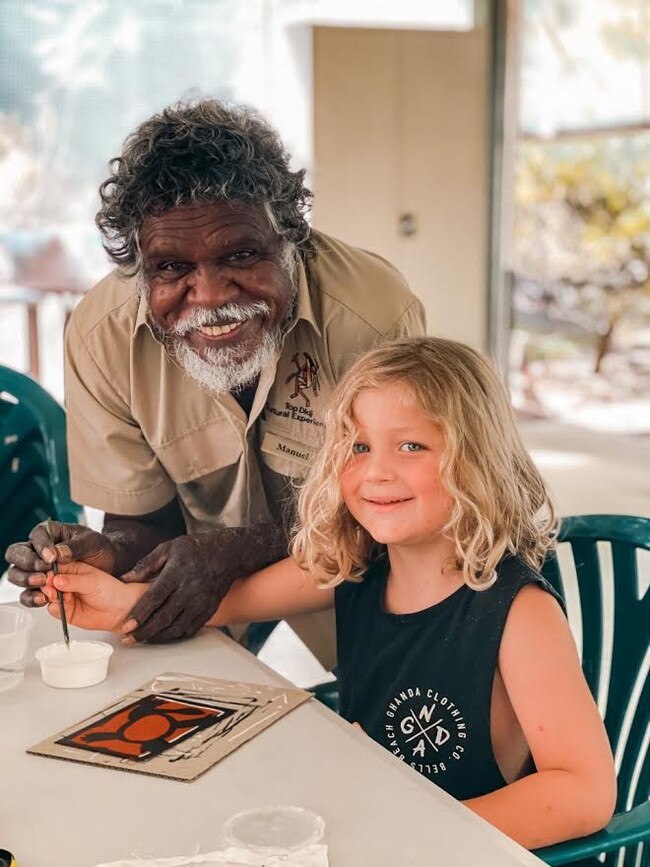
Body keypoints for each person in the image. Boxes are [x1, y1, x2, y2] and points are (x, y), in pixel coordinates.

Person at [42, 336, 615, 850]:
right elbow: (230, 602)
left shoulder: (519, 614)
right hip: (362, 826)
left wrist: (414, 840)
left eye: (411, 446)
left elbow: (584, 792)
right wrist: (114, 599)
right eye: (358, 447)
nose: (376, 473)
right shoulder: (358, 564)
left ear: (479, 461)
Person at [5, 98, 424, 656]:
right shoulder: (100, 334)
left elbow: (403, 508)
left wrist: (240, 549)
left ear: (290, 239)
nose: (209, 297)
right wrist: (105, 550)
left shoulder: (372, 315)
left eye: (241, 254)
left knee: (388, 728)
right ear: (138, 267)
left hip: (374, 583)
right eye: (172, 267)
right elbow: (143, 523)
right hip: (206, 600)